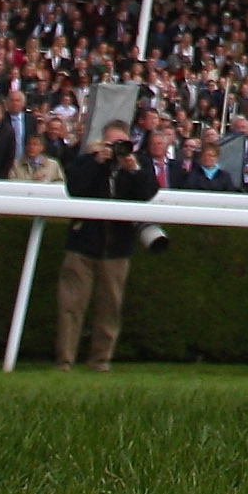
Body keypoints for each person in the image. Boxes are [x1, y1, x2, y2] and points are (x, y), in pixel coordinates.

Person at [56, 119, 156, 372]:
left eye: (120, 144)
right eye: (111, 143)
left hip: (117, 250)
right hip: (82, 246)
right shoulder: (87, 161)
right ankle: (64, 361)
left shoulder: (137, 163)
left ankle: (101, 361)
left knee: (109, 309)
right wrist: (96, 162)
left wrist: (132, 169)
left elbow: (148, 192)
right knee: (70, 307)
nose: (115, 149)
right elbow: (74, 188)